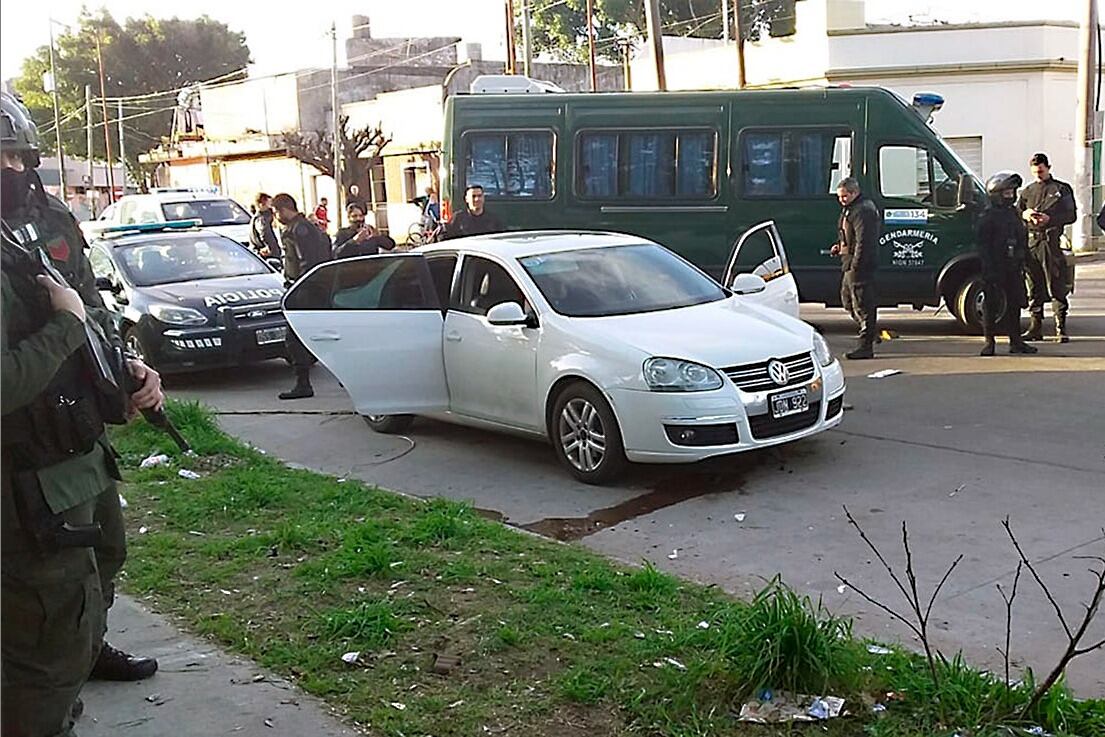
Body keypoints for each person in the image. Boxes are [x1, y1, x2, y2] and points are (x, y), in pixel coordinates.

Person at [2, 91, 164, 737]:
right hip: (20, 478)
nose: (13, 171)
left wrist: (125, 368)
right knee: (43, 626)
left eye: (17, 155)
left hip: (77, 453)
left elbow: (92, 307)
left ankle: (82, 653)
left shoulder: (44, 219)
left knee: (101, 567)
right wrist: (66, 327)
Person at [272, 193, 331, 400]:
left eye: (276, 211)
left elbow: (306, 261)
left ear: (284, 209)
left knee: (294, 338)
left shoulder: (299, 229)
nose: (276, 216)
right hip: (307, 287)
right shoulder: (303, 226)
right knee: (313, 335)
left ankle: (303, 384)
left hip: (303, 289)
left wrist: (299, 288)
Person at [976, 171, 1038, 357]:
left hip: (1014, 266)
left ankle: (1016, 342)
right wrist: (989, 269)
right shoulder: (988, 216)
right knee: (991, 304)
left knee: (1014, 303)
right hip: (995, 266)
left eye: (1012, 192)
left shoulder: (1013, 213)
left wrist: (1026, 260)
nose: (1010, 195)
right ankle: (989, 343)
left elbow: (1021, 238)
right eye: (1006, 192)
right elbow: (983, 246)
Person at [1017, 153, 1076, 343]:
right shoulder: (1027, 191)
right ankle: (1035, 327)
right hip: (1032, 243)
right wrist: (1026, 214)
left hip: (1050, 243)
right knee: (1033, 287)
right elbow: (1016, 213)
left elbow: (1071, 215)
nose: (1038, 175)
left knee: (1055, 285)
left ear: (1048, 168)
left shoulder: (1061, 189)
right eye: (1035, 172)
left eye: (1041, 171)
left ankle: (1061, 328)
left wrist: (1051, 219)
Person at [830, 177, 879, 359]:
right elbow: (848, 236)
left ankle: (866, 346)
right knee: (847, 300)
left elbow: (863, 241)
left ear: (854, 193)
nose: (841, 200)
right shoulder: (850, 209)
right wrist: (839, 247)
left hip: (859, 265)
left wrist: (857, 264)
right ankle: (870, 332)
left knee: (862, 304)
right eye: (840, 196)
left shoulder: (862, 211)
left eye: (844, 196)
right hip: (849, 262)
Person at [249, 192, 281, 260]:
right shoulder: (261, 218)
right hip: (267, 255)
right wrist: (271, 248)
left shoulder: (259, 217)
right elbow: (265, 233)